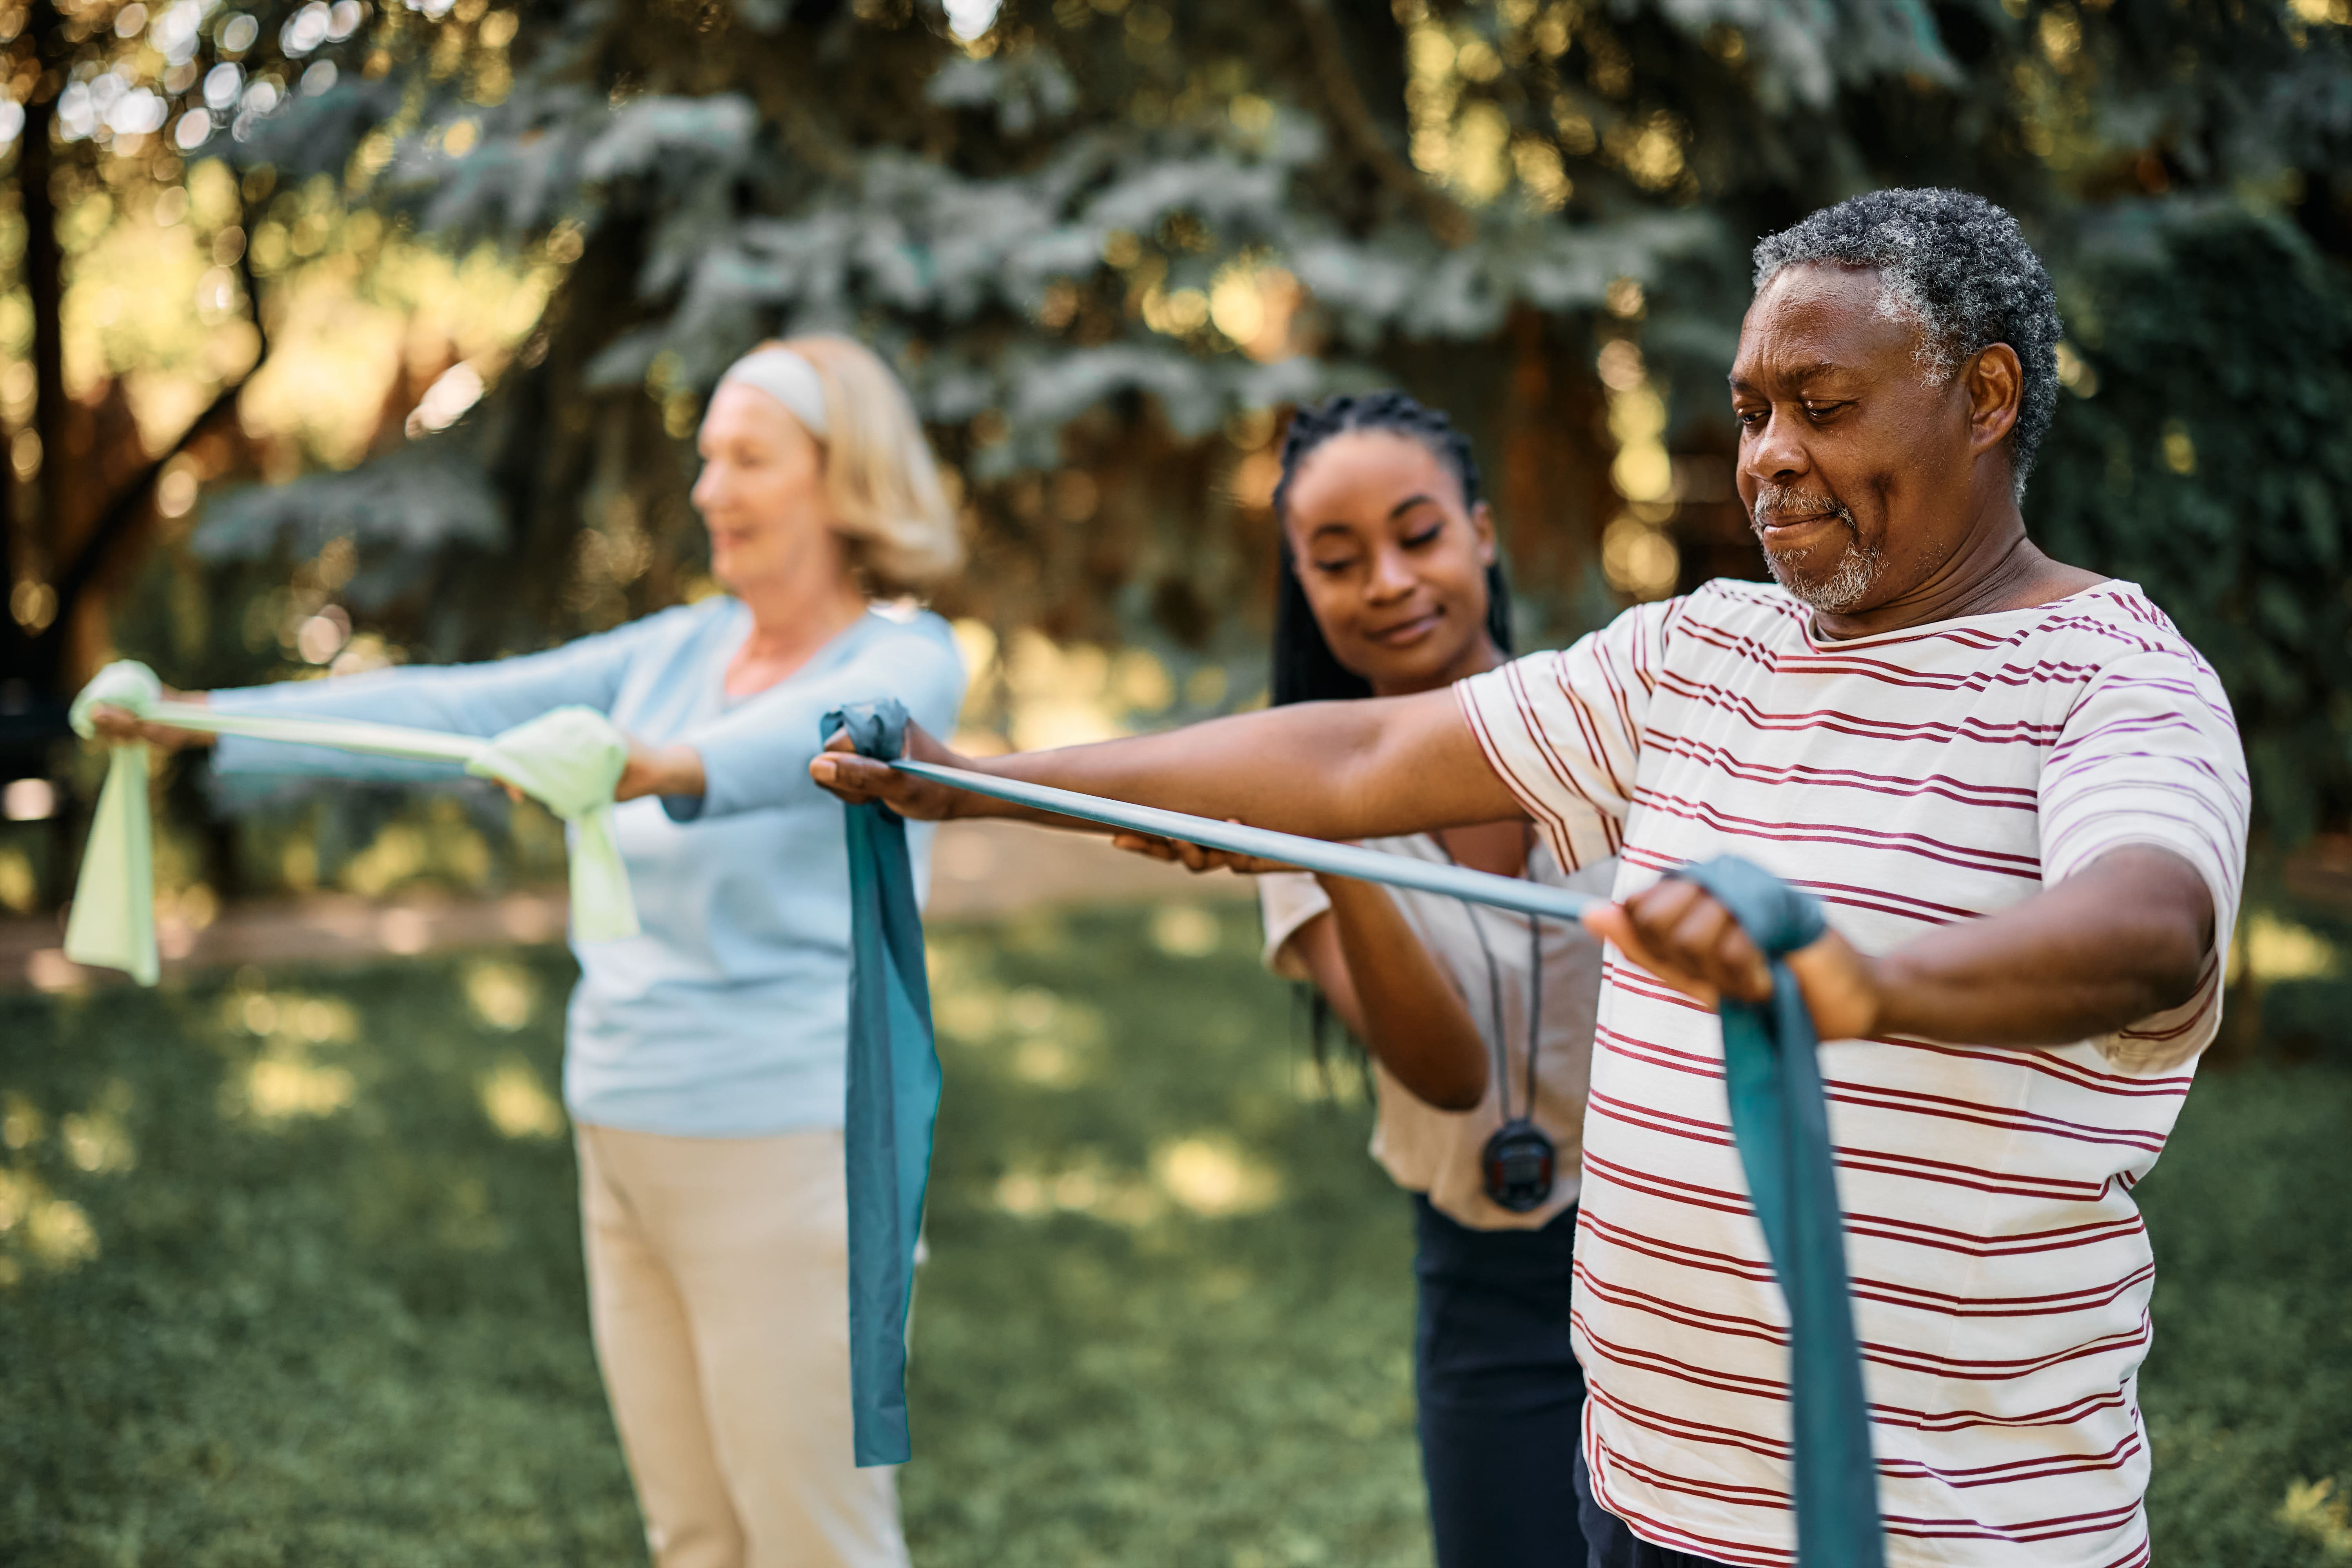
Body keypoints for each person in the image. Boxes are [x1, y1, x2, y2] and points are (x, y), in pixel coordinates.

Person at [813, 189, 2249, 1568]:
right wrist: (976, 775)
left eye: (1822, 406)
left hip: (1946, 1535)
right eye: (1750, 411)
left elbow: (2152, 926)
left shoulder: (2116, 681)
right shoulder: (1704, 652)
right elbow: (1361, 757)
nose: (1764, 456)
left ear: (1987, 398)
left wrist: (1859, 980)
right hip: (1636, 1498)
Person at [96, 336, 968, 1568]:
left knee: (817, 1542)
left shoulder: (907, 656)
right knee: (694, 1536)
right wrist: (198, 720)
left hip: (791, 1155)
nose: (711, 489)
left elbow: (833, 741)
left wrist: (655, 761)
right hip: (621, 1127)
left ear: (844, 481)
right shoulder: (674, 652)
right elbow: (459, 707)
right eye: (706, 458)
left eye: (751, 459)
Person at [1115, 392, 1614, 1567]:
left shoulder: (1611, 723)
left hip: (1682, 1254)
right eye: (1337, 562)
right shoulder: (1289, 812)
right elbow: (1445, 1075)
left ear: (1482, 535)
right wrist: (1335, 856)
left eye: (1418, 535)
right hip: (1487, 1294)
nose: (1386, 581)